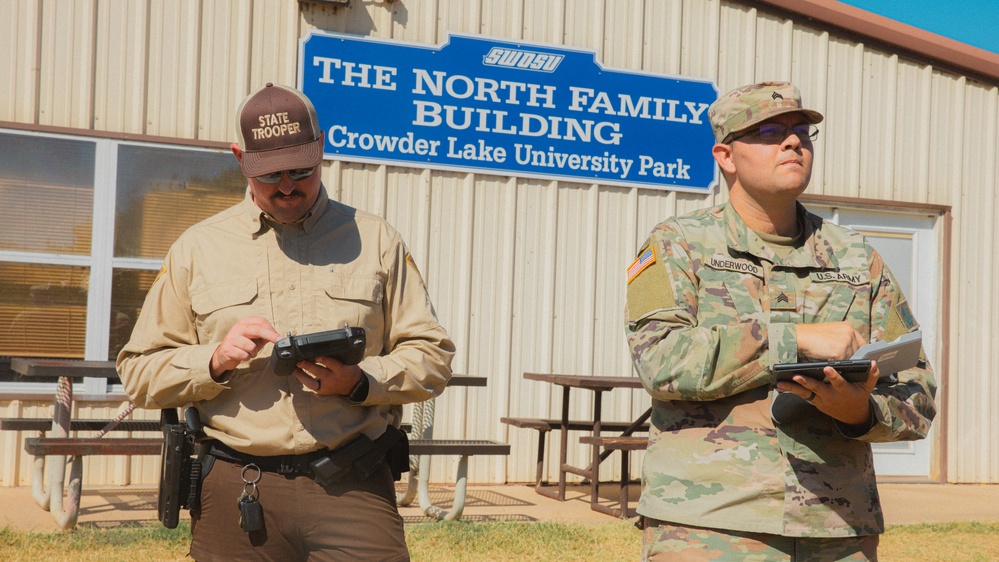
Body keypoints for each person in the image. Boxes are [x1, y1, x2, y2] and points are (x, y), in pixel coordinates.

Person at [117, 82, 455, 561]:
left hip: (354, 485)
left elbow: (433, 356)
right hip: (239, 490)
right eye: (270, 174)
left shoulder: (376, 240)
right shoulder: (198, 249)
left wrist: (361, 382)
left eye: (302, 169)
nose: (289, 185)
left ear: (322, 149)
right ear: (240, 158)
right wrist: (212, 361)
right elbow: (137, 372)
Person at [624, 81, 936, 561]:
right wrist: (794, 340)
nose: (793, 142)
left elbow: (918, 387)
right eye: (769, 132)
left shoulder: (856, 256)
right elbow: (661, 361)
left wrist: (860, 413)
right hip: (711, 526)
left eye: (802, 132)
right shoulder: (677, 244)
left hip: (838, 526)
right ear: (726, 156)